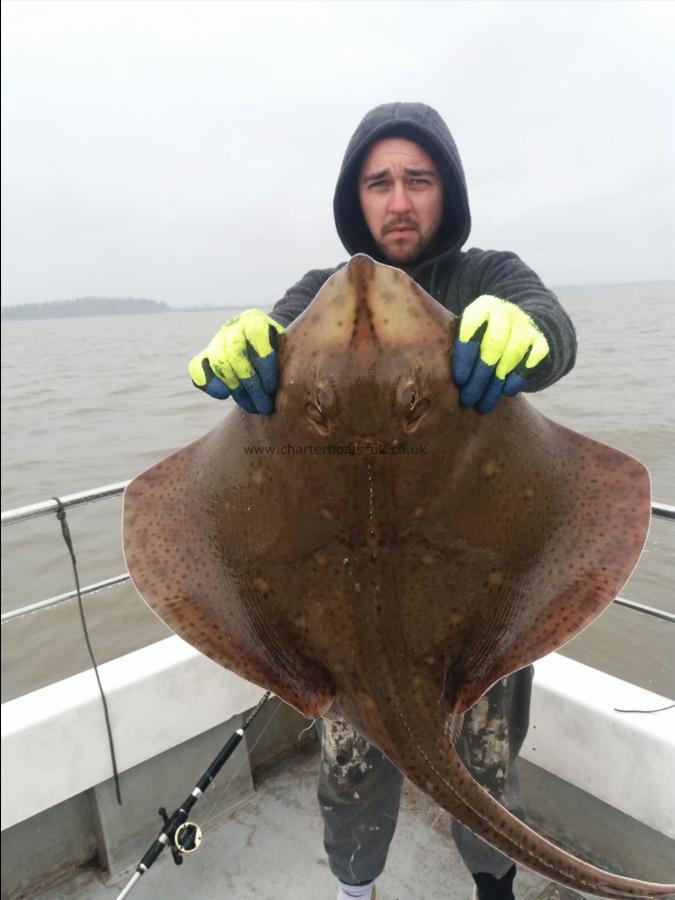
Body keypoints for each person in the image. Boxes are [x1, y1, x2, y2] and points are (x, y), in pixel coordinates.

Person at [188, 102, 577, 900]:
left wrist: (529, 333)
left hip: (478, 594)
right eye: (379, 182)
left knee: (485, 768)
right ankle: (354, 888)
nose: (398, 201)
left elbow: (550, 330)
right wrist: (248, 341)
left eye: (418, 179)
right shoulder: (314, 294)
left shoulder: (487, 276)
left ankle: (493, 887)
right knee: (354, 775)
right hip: (337, 604)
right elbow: (269, 333)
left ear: (447, 192)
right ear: (354, 197)